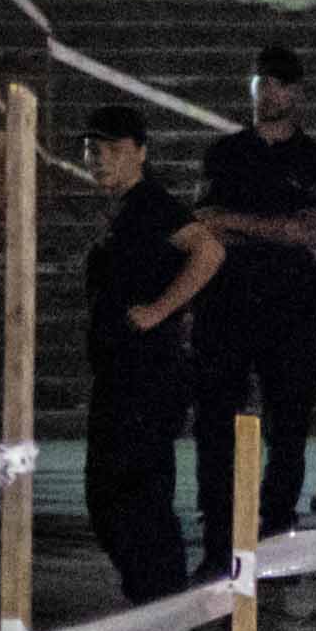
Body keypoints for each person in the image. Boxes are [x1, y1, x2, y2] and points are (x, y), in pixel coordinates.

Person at [189, 47, 316, 531]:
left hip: (289, 304)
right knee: (216, 417)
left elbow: (308, 230)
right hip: (226, 300)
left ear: (297, 93)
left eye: (277, 85)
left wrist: (237, 223)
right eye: (261, 84)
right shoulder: (225, 153)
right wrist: (277, 227)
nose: (267, 94)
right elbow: (205, 221)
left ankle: (277, 520)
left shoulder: (315, 160)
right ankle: (218, 522)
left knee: (289, 419)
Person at [79, 107, 222, 605]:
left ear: (140, 152)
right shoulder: (120, 210)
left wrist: (159, 310)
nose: (101, 159)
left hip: (147, 375)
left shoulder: (151, 204)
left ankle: (163, 610)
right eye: (93, 150)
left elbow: (209, 251)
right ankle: (153, 604)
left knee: (136, 497)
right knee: (110, 495)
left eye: (114, 150)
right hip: (120, 372)